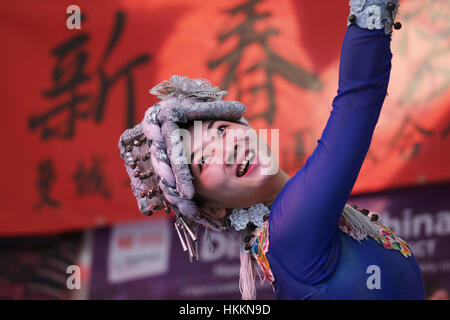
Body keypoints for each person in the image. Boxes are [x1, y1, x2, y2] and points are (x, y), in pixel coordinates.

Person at [119, 0, 425, 299]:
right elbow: (358, 101)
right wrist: (371, 10)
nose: (227, 149)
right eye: (203, 160)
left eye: (222, 130)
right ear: (213, 210)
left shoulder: (290, 233)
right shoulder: (291, 226)